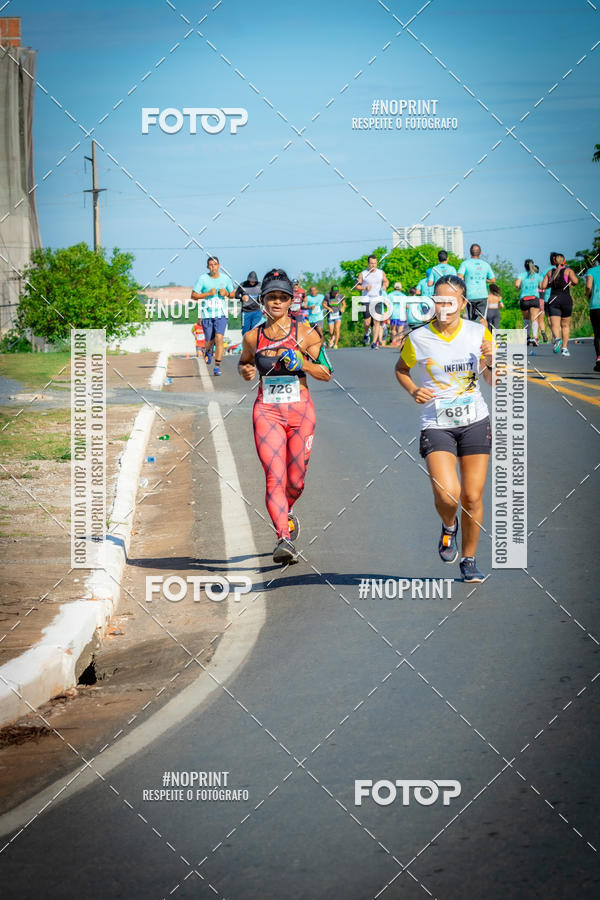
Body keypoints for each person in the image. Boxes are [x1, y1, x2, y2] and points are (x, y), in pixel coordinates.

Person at [395, 275, 494, 582]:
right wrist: (413, 389)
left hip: (475, 420)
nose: (444, 306)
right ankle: (448, 525)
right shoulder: (419, 338)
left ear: (463, 303)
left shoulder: (479, 332)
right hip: (436, 423)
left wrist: (493, 366)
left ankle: (469, 559)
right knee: (448, 495)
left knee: (473, 496)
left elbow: (492, 377)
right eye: (438, 300)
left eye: (451, 301)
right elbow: (401, 370)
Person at [238, 269, 332, 564]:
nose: (276, 302)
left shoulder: (306, 333)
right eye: (271, 297)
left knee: (296, 481)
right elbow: (243, 364)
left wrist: (302, 361)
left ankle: (286, 510)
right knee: (273, 477)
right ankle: (283, 537)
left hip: (300, 411)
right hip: (267, 411)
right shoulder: (253, 337)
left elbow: (326, 373)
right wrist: (247, 371)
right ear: (263, 301)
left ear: (291, 301)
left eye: (282, 297)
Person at [191, 256, 235, 375]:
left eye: (215, 264)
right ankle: (208, 351)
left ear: (219, 266)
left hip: (221, 314)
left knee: (219, 338)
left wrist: (226, 293)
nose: (213, 267)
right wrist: (208, 293)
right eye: (210, 265)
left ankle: (217, 366)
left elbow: (233, 293)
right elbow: (193, 296)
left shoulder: (225, 278)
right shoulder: (203, 279)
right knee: (209, 341)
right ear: (207, 267)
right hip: (206, 314)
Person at [540, 253, 578, 356]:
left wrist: (548, 283)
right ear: (564, 261)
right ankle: (564, 349)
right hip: (566, 300)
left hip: (553, 300)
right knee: (565, 325)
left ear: (554, 261)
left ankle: (557, 339)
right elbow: (575, 281)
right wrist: (570, 282)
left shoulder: (549, 272)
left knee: (555, 325)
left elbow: (543, 286)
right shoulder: (568, 271)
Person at [355, 254, 389, 347]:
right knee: (367, 322)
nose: (373, 265)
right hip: (366, 299)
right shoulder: (363, 274)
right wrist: (365, 288)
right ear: (368, 264)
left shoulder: (381, 272)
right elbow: (356, 286)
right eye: (371, 263)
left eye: (375, 263)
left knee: (376, 321)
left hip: (377, 299)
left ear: (377, 263)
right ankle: (366, 333)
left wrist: (384, 286)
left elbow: (386, 281)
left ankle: (374, 342)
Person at [458, 243, 495, 323]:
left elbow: (459, 277)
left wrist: (465, 279)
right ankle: (484, 335)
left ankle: (473, 335)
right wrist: (484, 280)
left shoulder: (465, 264)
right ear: (480, 253)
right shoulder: (485, 264)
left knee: (471, 321)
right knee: (482, 319)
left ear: (470, 252)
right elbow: (493, 280)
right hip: (482, 295)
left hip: (469, 296)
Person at [515, 259, 544, 346]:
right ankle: (535, 338)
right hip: (534, 298)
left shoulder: (522, 275)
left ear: (524, 266)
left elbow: (517, 285)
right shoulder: (537, 275)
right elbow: (542, 286)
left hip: (524, 299)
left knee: (526, 319)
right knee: (534, 319)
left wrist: (522, 288)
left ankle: (527, 338)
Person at [236, 270, 264, 335]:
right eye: (251, 281)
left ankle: (255, 344)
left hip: (257, 311)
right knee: (245, 331)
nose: (252, 283)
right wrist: (241, 298)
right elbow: (236, 295)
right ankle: (245, 343)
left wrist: (261, 298)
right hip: (245, 312)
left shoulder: (260, 286)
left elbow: (265, 296)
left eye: (254, 281)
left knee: (255, 329)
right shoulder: (243, 285)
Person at [585, 258, 600, 371]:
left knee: (597, 334)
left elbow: (589, 286)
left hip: (596, 306)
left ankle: (599, 357)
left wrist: (588, 295)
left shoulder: (591, 271)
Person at [388, 281, 408, 346]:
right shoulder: (404, 296)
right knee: (400, 330)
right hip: (401, 315)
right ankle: (399, 343)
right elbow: (407, 306)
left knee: (393, 330)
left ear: (394, 287)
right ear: (400, 288)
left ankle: (394, 341)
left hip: (393, 314)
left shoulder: (390, 295)